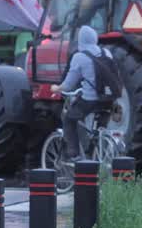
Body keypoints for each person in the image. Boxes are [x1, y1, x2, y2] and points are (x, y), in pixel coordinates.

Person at [50, 26, 118, 160]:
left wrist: (56, 89)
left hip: (90, 100)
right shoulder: (107, 53)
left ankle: (74, 155)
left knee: (69, 119)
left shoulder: (79, 57)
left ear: (80, 40)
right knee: (98, 131)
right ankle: (93, 154)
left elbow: (68, 85)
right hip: (109, 99)